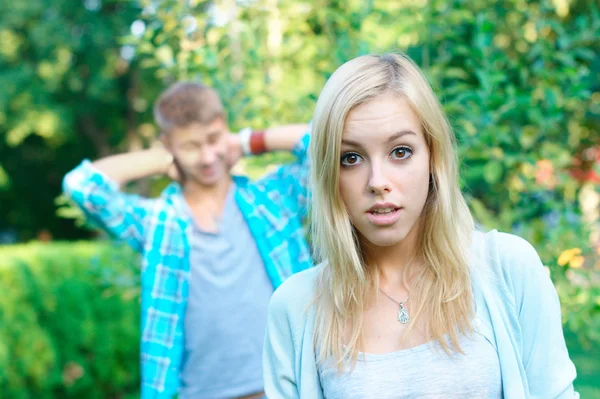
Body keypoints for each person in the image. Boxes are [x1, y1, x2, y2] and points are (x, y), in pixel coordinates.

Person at [263, 53, 579, 398]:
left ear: (433, 157)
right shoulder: (296, 307)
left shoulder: (506, 269)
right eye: (350, 158)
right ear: (328, 173)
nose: (377, 181)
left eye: (400, 152)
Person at [63, 82, 312, 399]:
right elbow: (81, 186)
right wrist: (162, 160)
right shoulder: (159, 223)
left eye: (214, 139)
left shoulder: (272, 199)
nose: (208, 157)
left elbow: (329, 144)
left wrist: (248, 141)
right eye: (191, 146)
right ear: (168, 145)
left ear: (225, 128)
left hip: (284, 390)